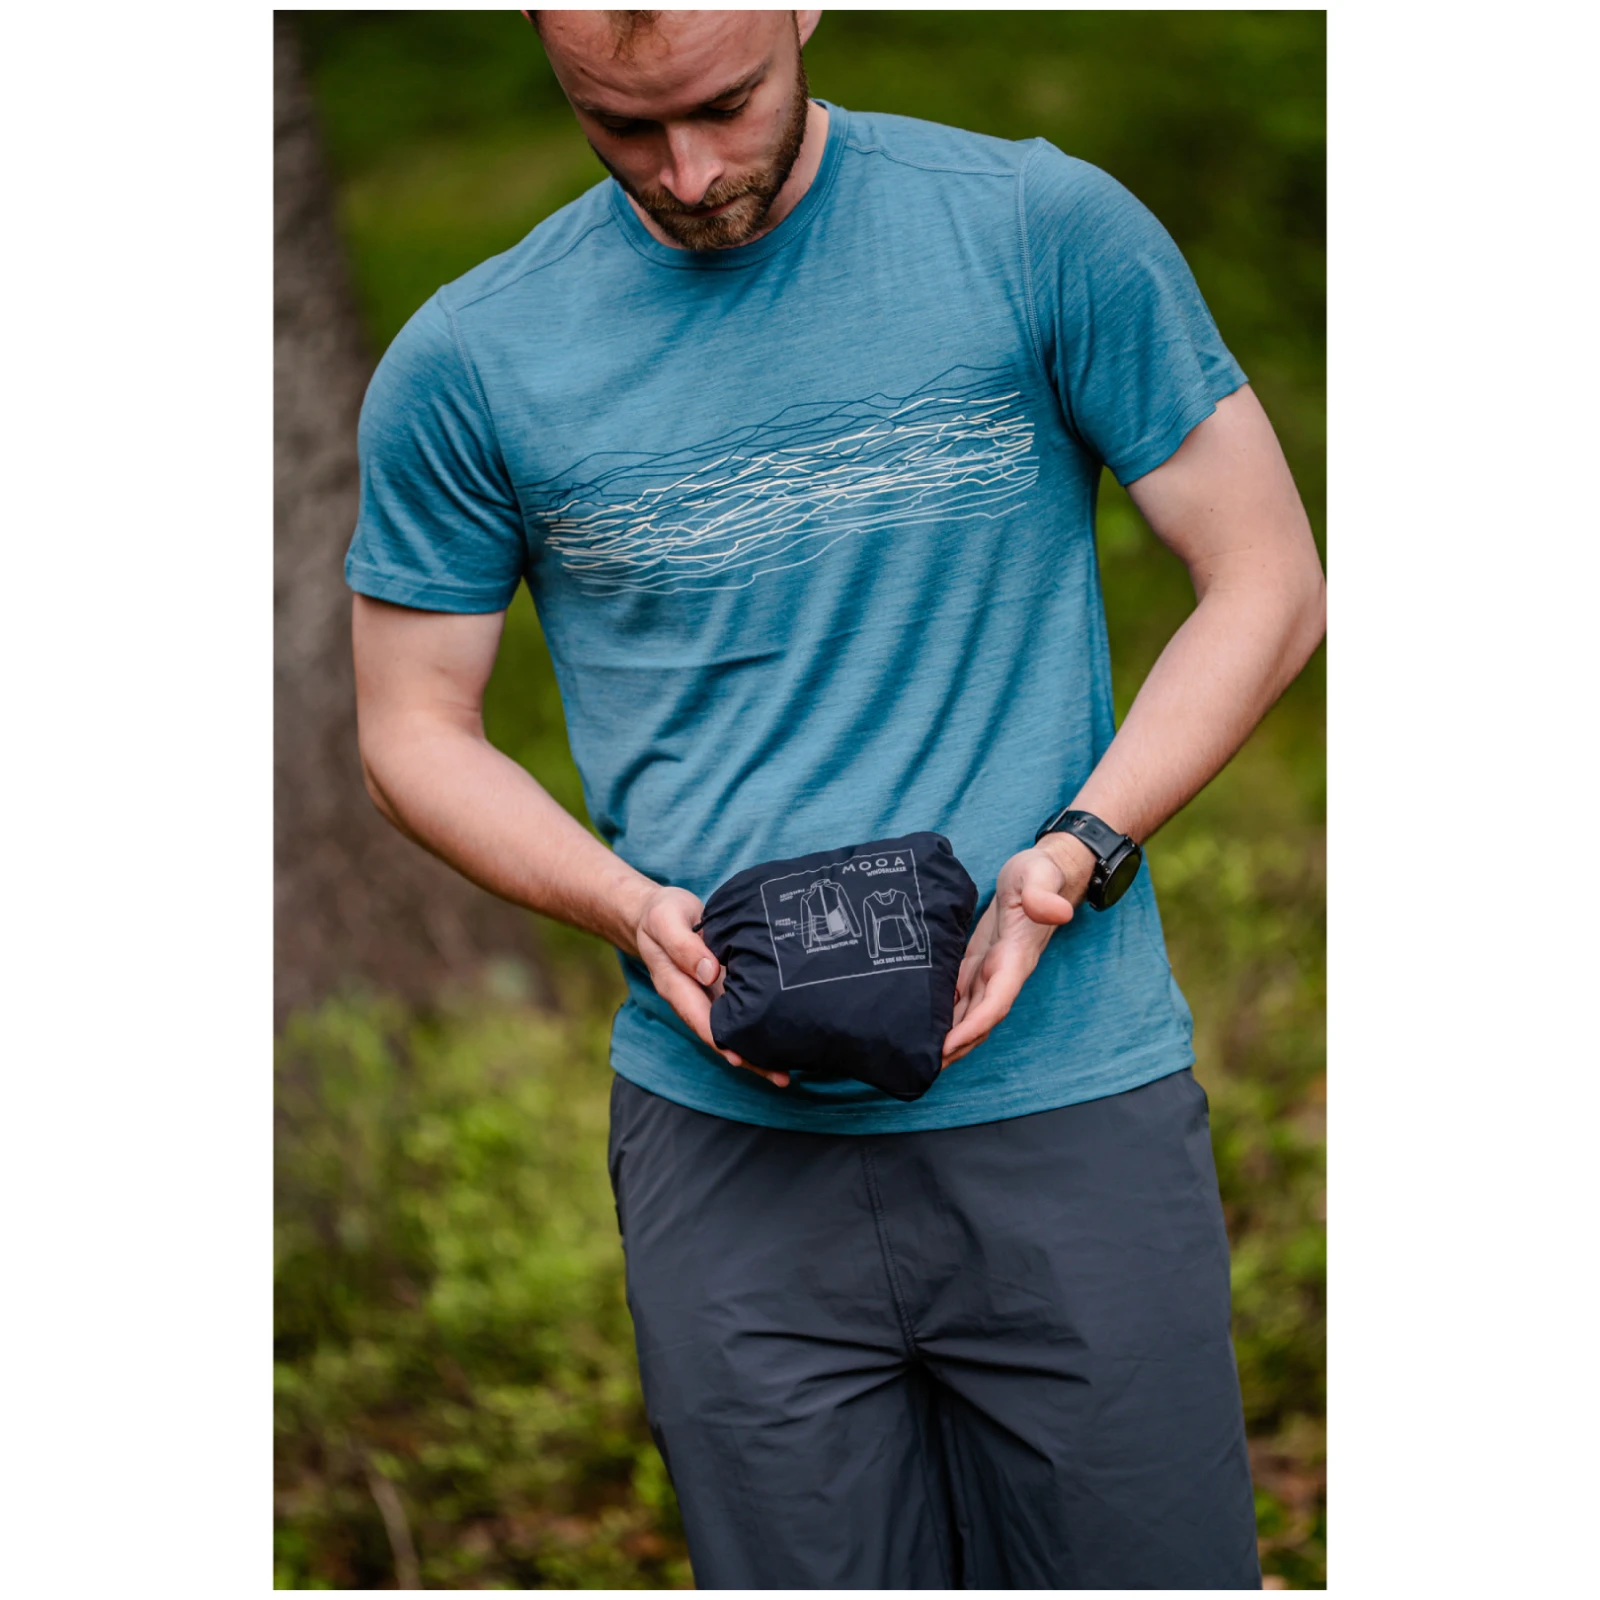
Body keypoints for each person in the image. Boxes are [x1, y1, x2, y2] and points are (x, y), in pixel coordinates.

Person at [344, 9, 1325, 1588]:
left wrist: (1077, 849)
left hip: (1066, 1099)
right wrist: (623, 906)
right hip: (724, 1148)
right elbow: (412, 726)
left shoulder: (1036, 228)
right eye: (622, 126)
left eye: (725, 104)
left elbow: (1266, 577)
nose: (688, 172)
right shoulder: (472, 359)